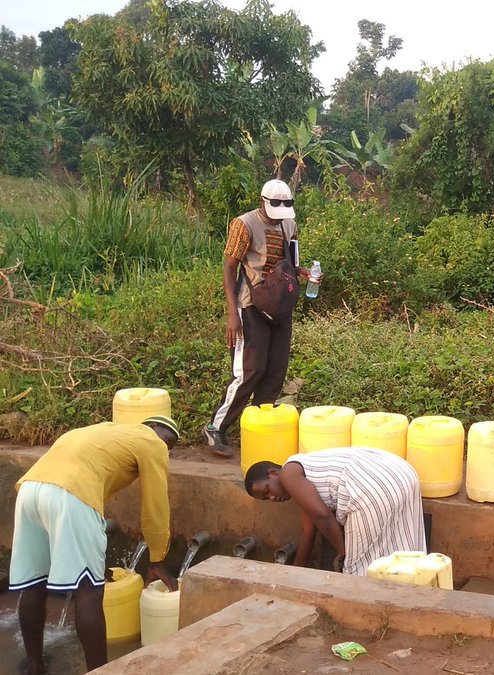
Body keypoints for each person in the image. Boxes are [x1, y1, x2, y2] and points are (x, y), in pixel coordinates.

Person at [9, 417, 180, 674]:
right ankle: (99, 671)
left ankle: (36, 666)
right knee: (89, 591)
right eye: (168, 440)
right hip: (71, 495)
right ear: (152, 428)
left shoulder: (100, 429)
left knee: (34, 584)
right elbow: (156, 504)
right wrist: (157, 559)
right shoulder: (150, 441)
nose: (166, 448)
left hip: (29, 491)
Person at [205, 179, 321, 458]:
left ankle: (257, 430)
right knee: (250, 370)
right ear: (262, 202)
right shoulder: (244, 225)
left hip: (280, 305)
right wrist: (233, 313)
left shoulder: (289, 225)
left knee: (275, 371)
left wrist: (304, 272)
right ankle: (216, 427)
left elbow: (290, 263)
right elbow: (230, 268)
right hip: (251, 305)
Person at [244, 447, 425, 576]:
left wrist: (343, 553)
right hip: (403, 473)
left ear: (274, 473)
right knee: (404, 551)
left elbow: (323, 517)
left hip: (371, 486)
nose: (272, 498)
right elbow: (308, 534)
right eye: (266, 499)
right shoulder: (304, 474)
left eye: (267, 491)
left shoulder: (288, 473)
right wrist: (294, 574)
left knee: (357, 570)